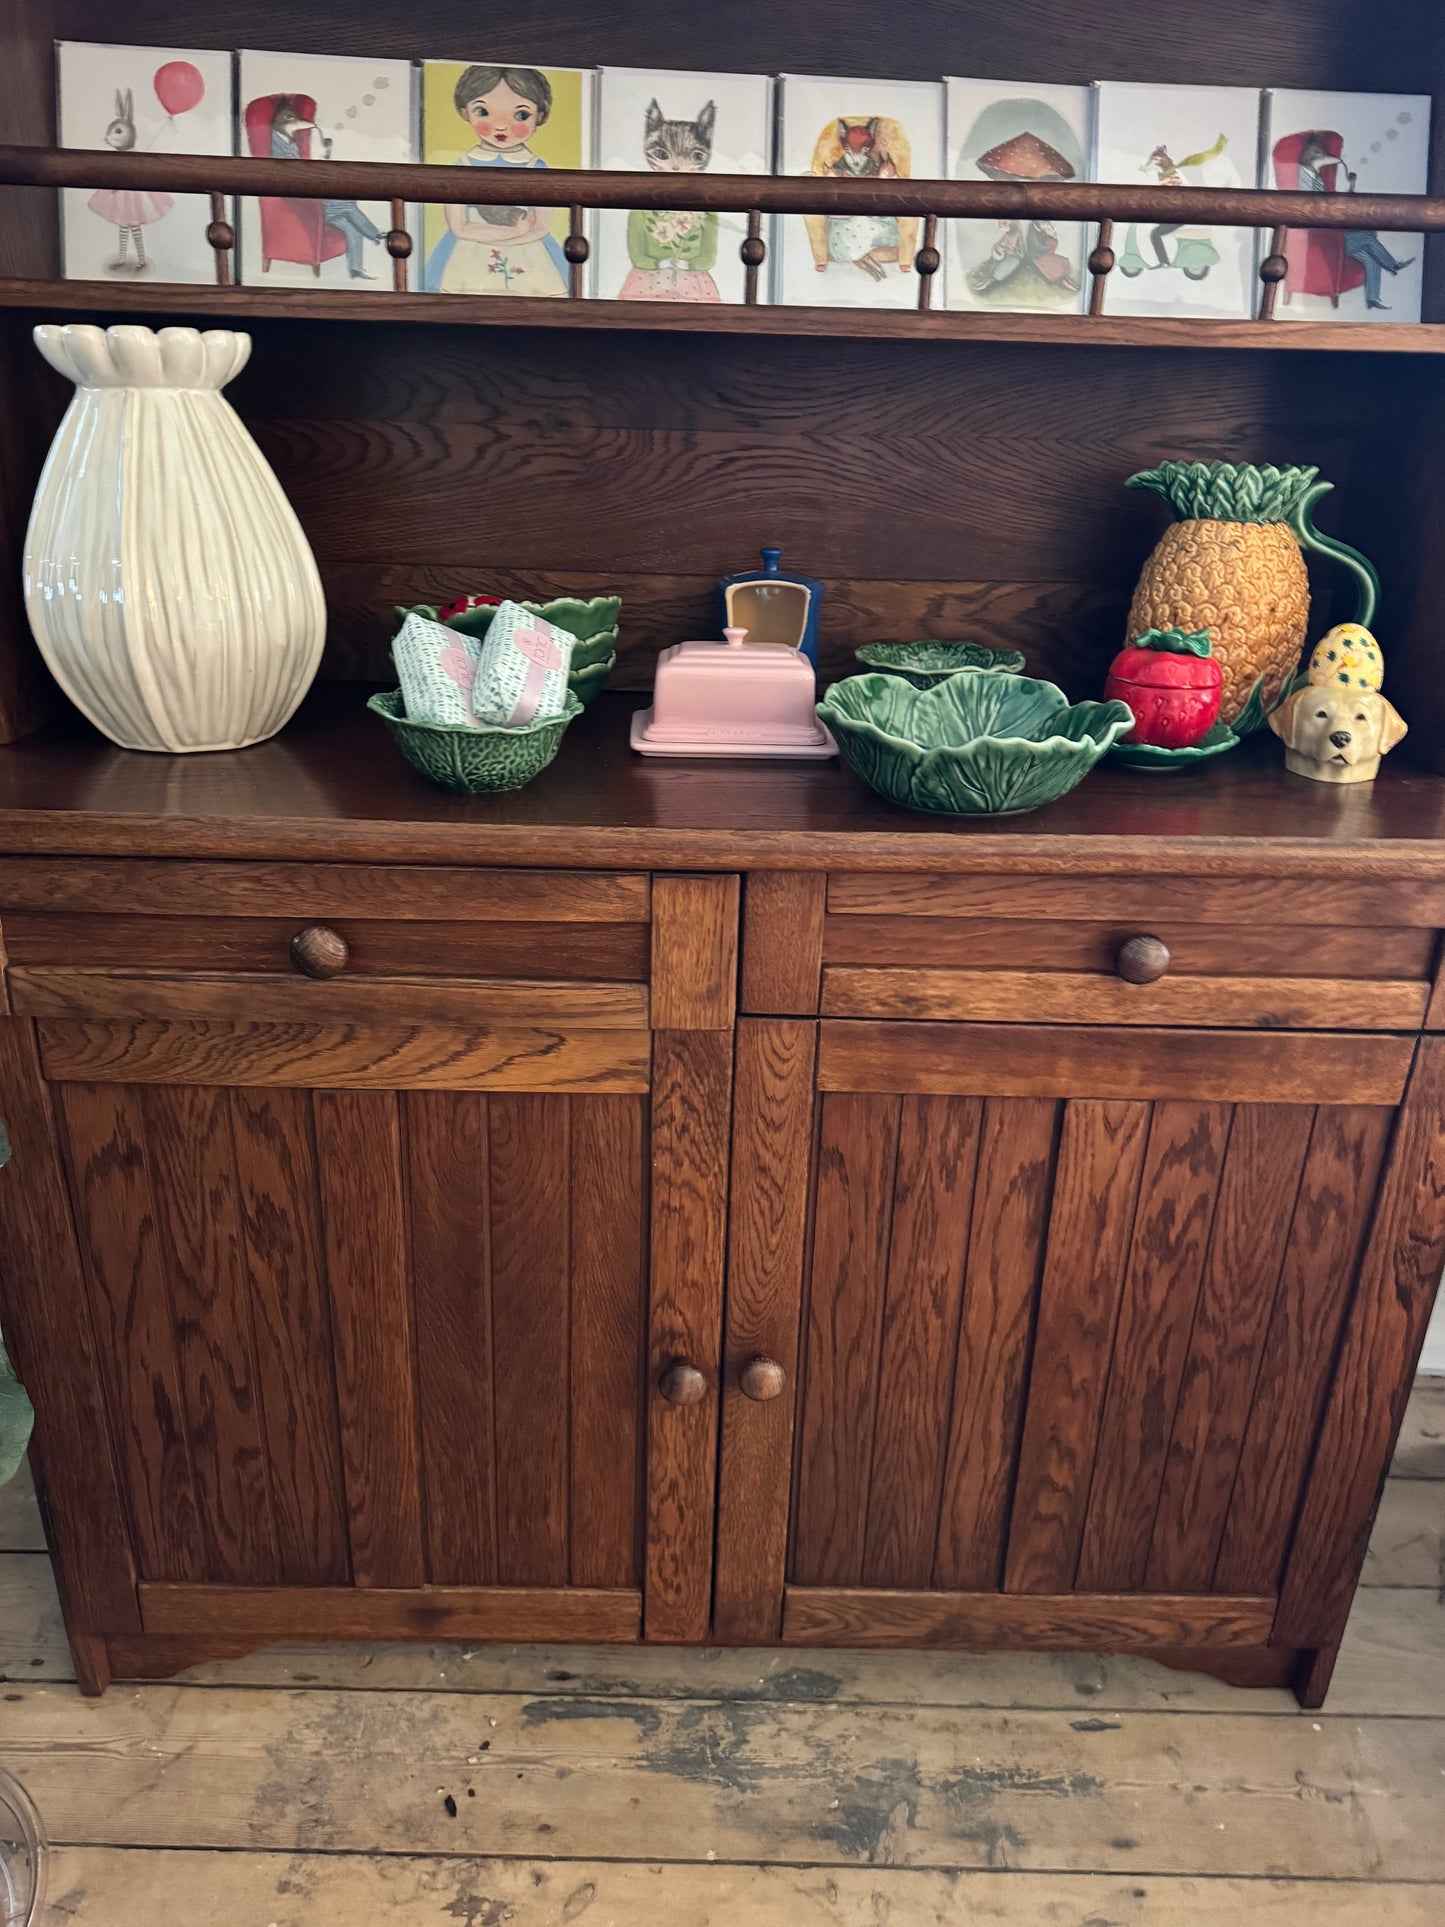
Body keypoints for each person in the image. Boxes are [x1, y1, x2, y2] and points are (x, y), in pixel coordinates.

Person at [426, 65, 569, 296]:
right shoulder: (462, 167)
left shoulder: (537, 168)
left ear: (539, 116)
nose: (501, 126)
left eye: (521, 115)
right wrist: (515, 232)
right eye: (483, 112)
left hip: (529, 257)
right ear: (465, 113)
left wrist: (516, 238)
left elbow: (542, 226)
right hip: (468, 255)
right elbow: (458, 227)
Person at [1297, 132, 1414, 310]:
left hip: (1333, 233)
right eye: (1317, 154)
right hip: (1325, 237)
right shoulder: (1304, 178)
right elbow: (1316, 208)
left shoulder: (1316, 177)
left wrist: (1349, 186)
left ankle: (1372, 298)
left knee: (1370, 259)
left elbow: (1331, 203)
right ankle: (1393, 265)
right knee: (1367, 239)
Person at [269, 98, 382, 280]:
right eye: (288, 116)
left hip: (314, 195)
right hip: (304, 201)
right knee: (347, 205)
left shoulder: (291, 141)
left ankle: (355, 269)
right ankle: (375, 233)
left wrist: (323, 153)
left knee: (351, 228)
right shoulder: (275, 142)